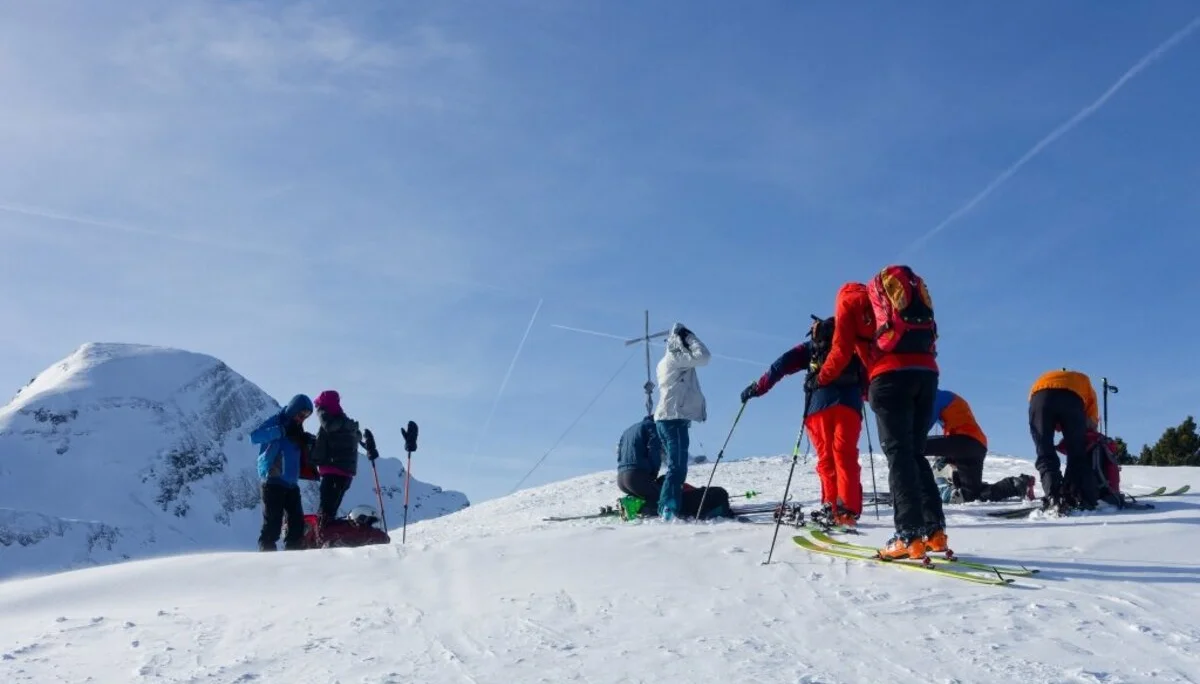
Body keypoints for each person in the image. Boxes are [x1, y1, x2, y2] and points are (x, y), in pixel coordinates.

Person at [817, 268, 943, 560]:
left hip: (889, 379)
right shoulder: (894, 299)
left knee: (899, 456)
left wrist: (821, 379)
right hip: (927, 374)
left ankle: (907, 535)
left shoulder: (847, 301)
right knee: (916, 453)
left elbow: (841, 351)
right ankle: (935, 533)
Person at [740, 315, 865, 526]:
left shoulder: (811, 347)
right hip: (849, 406)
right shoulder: (852, 345)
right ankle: (847, 511)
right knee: (846, 456)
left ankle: (830, 507)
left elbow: (780, 365)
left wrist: (758, 388)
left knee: (826, 458)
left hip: (818, 407)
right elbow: (868, 374)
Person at [925, 389, 1033, 503]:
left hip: (962, 441)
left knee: (912, 445)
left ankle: (914, 490)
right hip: (976, 445)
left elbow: (923, 426)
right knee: (970, 495)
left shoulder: (935, 395)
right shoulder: (946, 397)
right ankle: (1015, 485)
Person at [653, 323, 712, 520]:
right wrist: (690, 337)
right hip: (673, 418)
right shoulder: (676, 357)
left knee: (676, 466)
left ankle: (669, 503)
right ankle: (668, 507)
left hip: (667, 418)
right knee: (677, 466)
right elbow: (704, 356)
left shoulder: (665, 361)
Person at [1029, 368, 1100, 512]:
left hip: (1039, 397)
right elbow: (1091, 424)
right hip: (1071, 398)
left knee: (1045, 452)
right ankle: (1076, 494)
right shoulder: (1084, 383)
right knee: (1077, 454)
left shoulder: (1045, 377)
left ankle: (1053, 496)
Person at [251, 394, 313, 551]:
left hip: (291, 483)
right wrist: (281, 431)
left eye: (305, 417)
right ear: (293, 410)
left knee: (297, 523)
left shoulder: (298, 429)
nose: (302, 419)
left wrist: (308, 442)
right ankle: (267, 555)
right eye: (300, 414)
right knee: (272, 523)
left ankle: (292, 556)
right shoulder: (277, 421)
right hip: (273, 480)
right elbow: (255, 436)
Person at [308, 390, 364, 534]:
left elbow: (319, 450)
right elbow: (357, 437)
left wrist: (313, 457)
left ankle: (321, 539)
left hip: (331, 471)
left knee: (325, 511)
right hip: (346, 474)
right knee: (331, 510)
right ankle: (327, 537)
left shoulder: (327, 424)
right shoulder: (348, 424)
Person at [617, 415, 663, 516]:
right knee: (660, 497)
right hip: (636, 476)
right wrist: (654, 472)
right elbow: (654, 449)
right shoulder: (652, 427)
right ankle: (641, 510)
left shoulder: (627, 431)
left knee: (643, 494)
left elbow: (619, 455)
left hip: (621, 478)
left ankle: (630, 504)